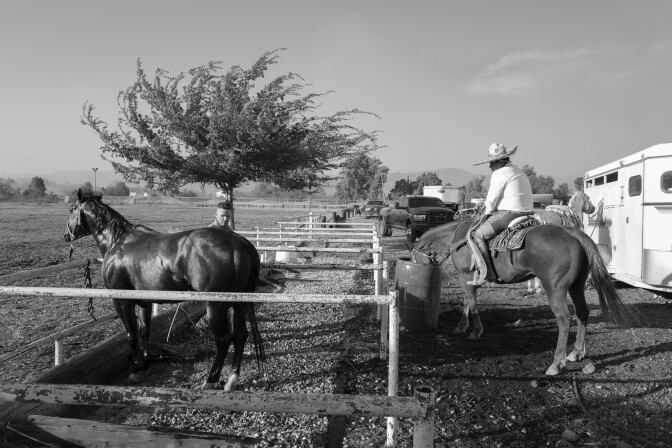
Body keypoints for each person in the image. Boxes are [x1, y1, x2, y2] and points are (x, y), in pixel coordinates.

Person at [467, 143, 533, 286]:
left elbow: (491, 200)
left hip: (510, 213)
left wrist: (487, 212)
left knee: (476, 235)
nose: (489, 166)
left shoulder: (499, 173)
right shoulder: (519, 171)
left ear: (498, 161)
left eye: (491, 162)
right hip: (528, 213)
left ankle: (486, 273)